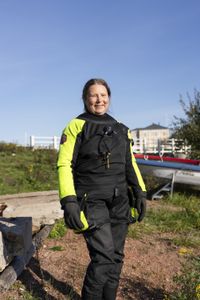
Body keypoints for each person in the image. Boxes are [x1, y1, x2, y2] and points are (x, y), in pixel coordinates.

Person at [57, 78, 147, 300]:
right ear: (85, 98)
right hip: (91, 200)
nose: (99, 99)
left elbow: (130, 164)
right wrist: (69, 200)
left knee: (116, 258)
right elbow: (64, 164)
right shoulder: (76, 126)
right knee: (103, 257)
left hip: (120, 201)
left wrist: (140, 192)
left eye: (103, 95)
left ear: (109, 97)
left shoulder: (120, 129)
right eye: (94, 95)